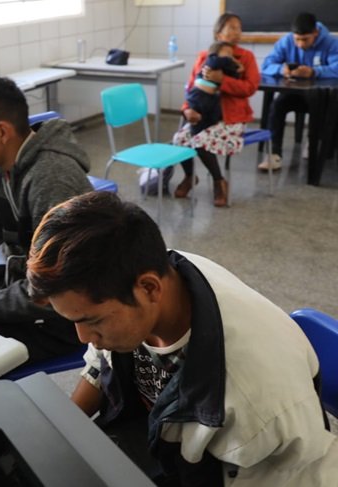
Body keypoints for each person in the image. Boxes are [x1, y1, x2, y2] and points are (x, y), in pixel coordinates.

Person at [26, 190, 338, 486]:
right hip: (165, 438)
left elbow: (271, 476)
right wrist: (59, 435)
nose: (85, 338)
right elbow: (101, 365)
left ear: (149, 289)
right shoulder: (145, 273)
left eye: (92, 321)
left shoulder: (255, 400)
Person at [0, 76, 93, 364]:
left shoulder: (52, 178)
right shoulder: (14, 163)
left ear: (1, 131)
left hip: (61, 315)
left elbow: (57, 286)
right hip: (23, 283)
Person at [173, 13, 260, 208]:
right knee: (179, 140)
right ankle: (189, 176)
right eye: (232, 28)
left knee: (201, 142)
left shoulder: (245, 57)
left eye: (239, 28)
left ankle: (219, 182)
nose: (237, 32)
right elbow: (191, 88)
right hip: (202, 114)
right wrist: (187, 110)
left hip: (230, 118)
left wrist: (223, 80)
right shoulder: (205, 56)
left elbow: (250, 88)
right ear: (218, 34)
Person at [259, 12, 338, 172]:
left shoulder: (331, 43)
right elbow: (266, 65)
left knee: (323, 108)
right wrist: (281, 69)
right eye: (297, 39)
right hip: (295, 94)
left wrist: (315, 72)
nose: (300, 44)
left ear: (315, 32)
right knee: (277, 106)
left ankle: (314, 142)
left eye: (305, 39)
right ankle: (274, 153)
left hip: (321, 97)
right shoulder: (286, 41)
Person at [185, 41, 240, 135]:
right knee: (197, 120)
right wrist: (232, 62)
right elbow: (217, 62)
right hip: (198, 95)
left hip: (212, 97)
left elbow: (234, 76)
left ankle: (207, 130)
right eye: (227, 53)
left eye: (231, 54)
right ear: (215, 52)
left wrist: (237, 68)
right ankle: (195, 134)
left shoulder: (223, 67)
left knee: (213, 117)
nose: (230, 56)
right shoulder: (212, 59)